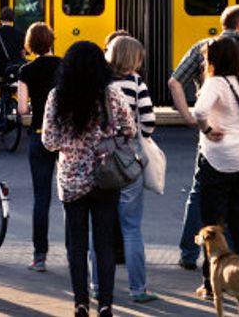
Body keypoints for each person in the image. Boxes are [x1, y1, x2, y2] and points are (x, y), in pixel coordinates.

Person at [168, 5, 239, 271]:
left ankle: (193, 257)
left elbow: (175, 82)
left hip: (214, 149)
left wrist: (194, 121)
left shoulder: (205, 48)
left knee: (204, 203)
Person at [42, 41, 136, 317]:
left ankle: (80, 303)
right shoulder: (112, 94)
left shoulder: (57, 96)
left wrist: (71, 142)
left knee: (76, 244)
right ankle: (106, 304)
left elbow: (49, 141)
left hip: (71, 181)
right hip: (106, 178)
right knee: (104, 243)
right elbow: (129, 129)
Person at [90, 36, 158, 303]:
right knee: (131, 228)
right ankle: (137, 289)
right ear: (134, 58)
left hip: (100, 162)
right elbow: (149, 124)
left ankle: (96, 285)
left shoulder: (98, 83)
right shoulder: (136, 83)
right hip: (128, 162)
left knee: (100, 228)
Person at [193, 37, 239, 299]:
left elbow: (199, 112)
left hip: (217, 160)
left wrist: (208, 130)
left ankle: (211, 285)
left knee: (212, 227)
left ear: (214, 60)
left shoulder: (216, 83)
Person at [15, 22, 60, 272]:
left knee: (41, 197)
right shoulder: (65, 65)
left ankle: (39, 256)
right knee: (70, 199)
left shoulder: (26, 71)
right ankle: (76, 250)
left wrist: (34, 108)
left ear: (30, 44)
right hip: (64, 138)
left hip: (40, 136)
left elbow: (22, 110)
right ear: (52, 40)